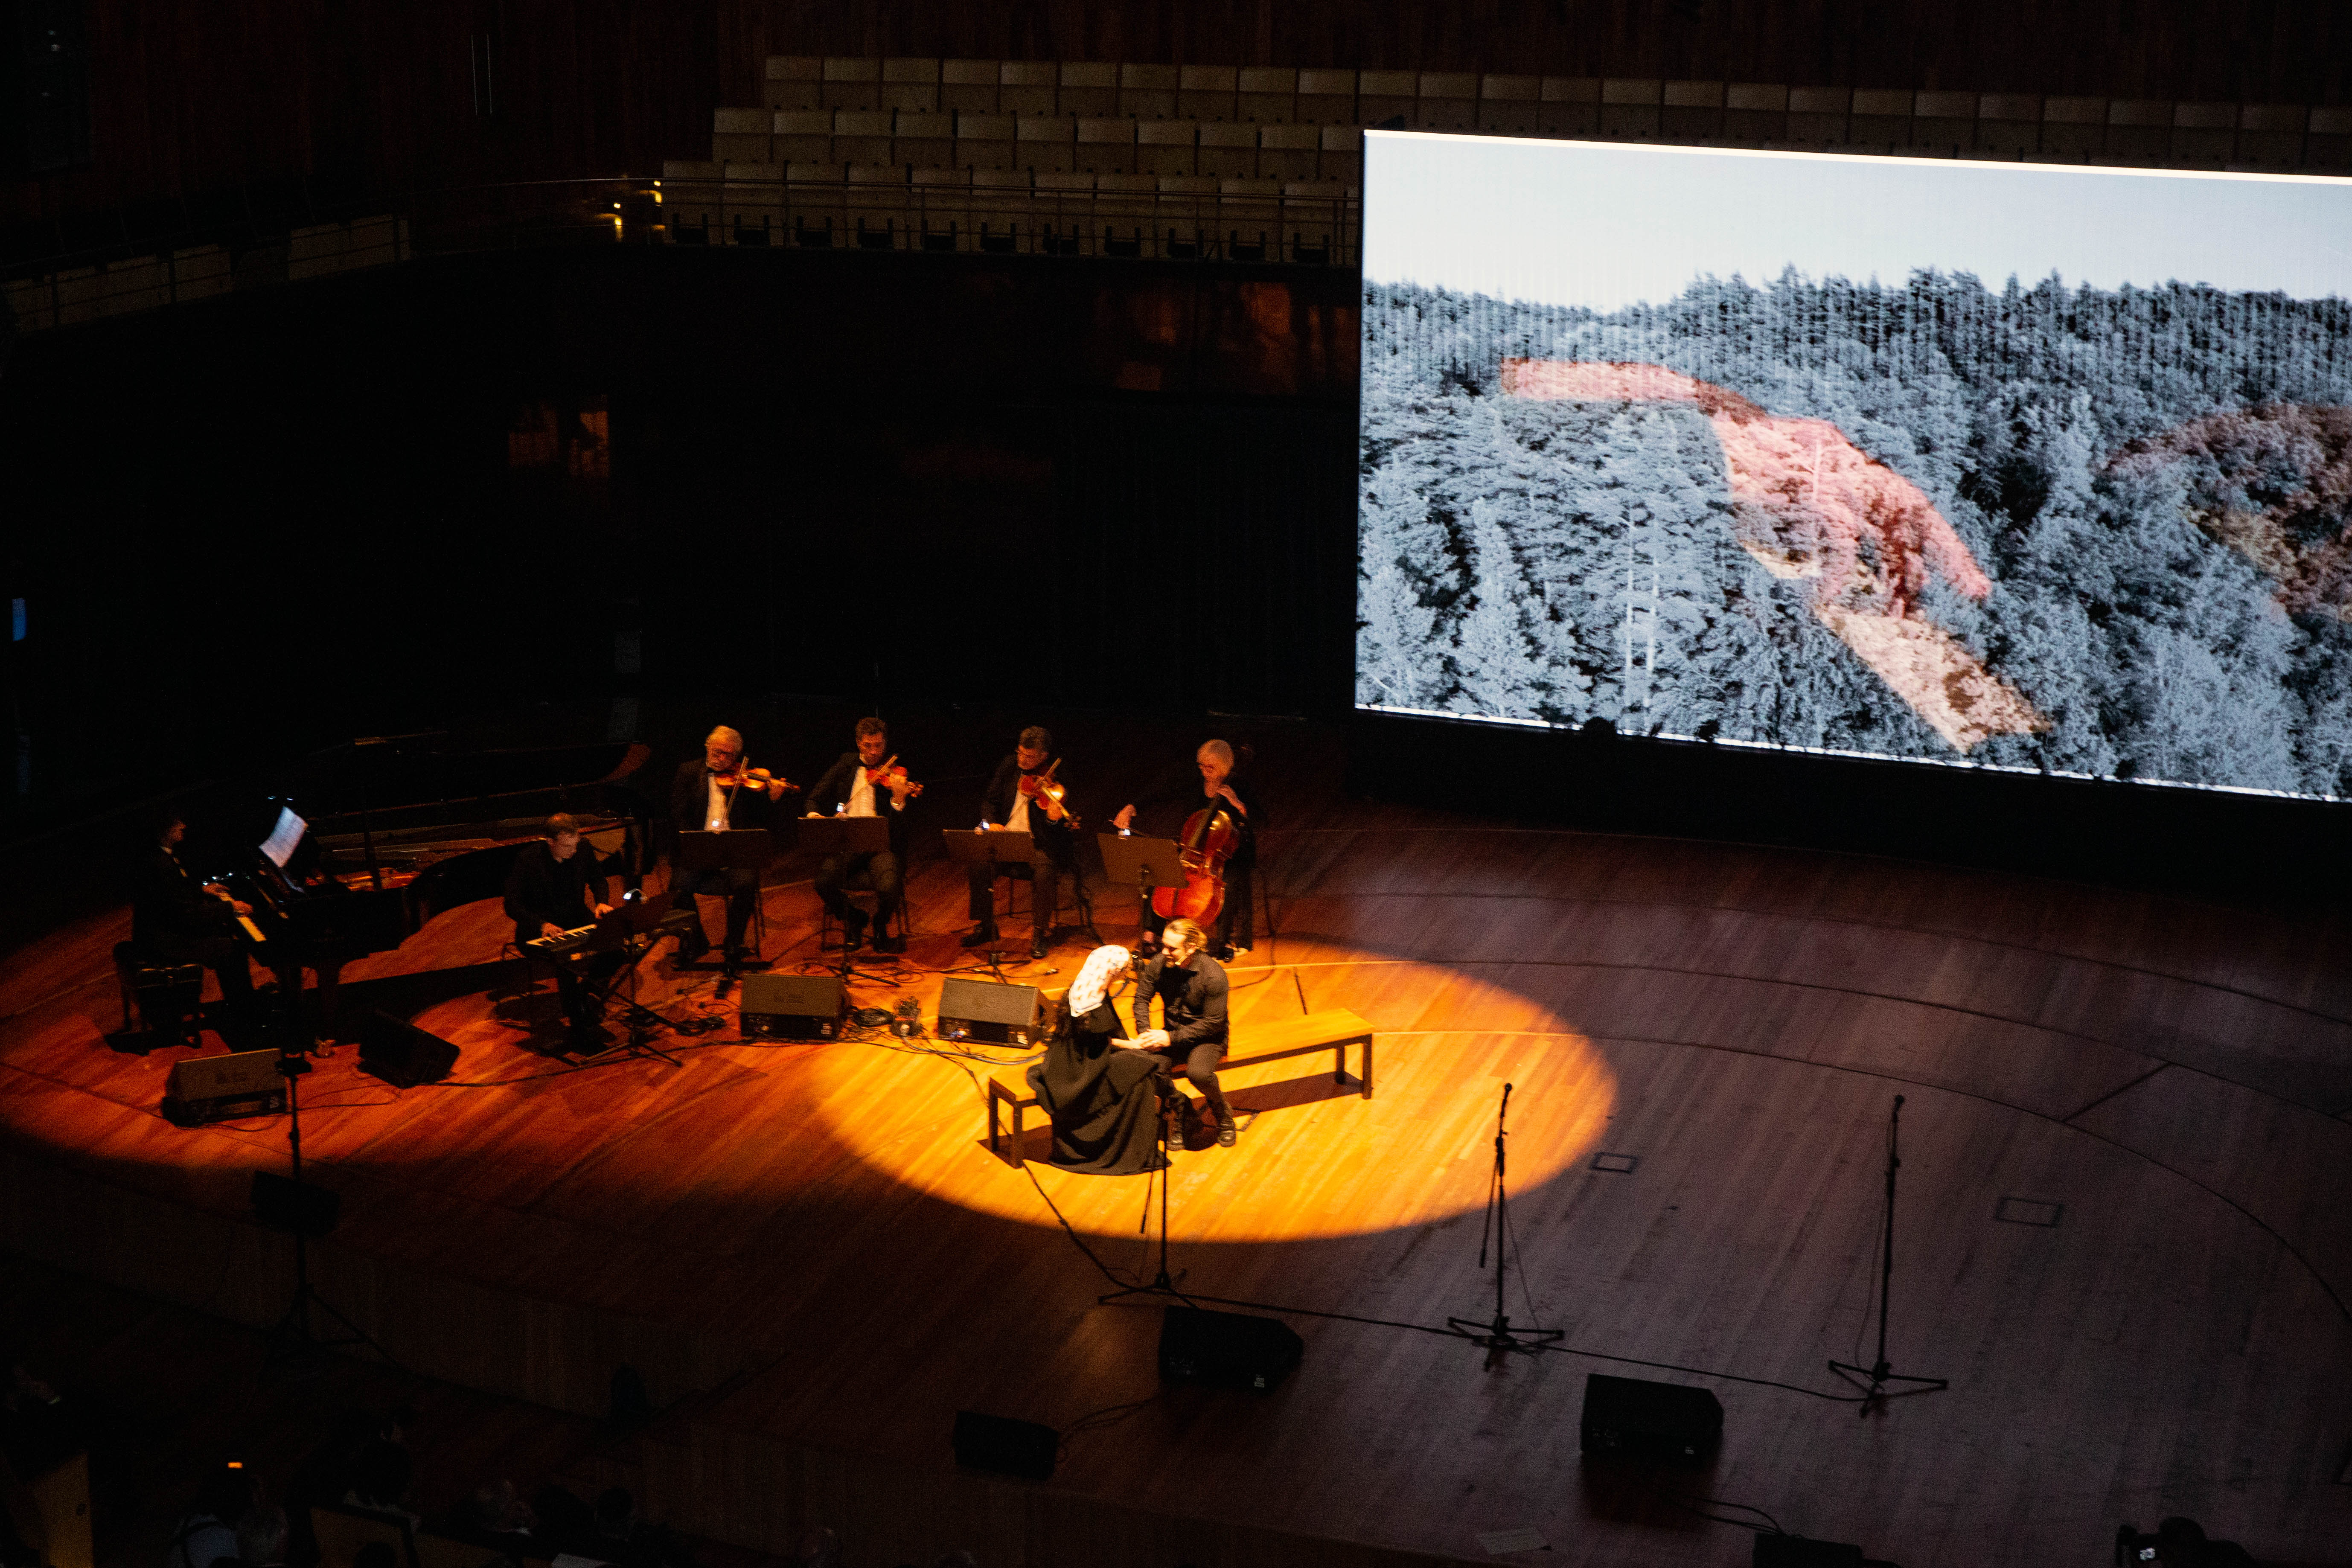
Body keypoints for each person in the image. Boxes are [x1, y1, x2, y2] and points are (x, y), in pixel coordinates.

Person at [1110, 739, 1260, 959]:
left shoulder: (1240, 787)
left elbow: (1260, 820)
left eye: (1211, 767)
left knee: (1230, 880)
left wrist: (1239, 805)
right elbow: (1161, 792)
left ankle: (1223, 939)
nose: (1205, 772)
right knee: (1158, 869)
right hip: (1193, 850)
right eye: (1201, 766)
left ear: (1226, 766)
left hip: (1231, 854)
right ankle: (1151, 936)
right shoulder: (1194, 781)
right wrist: (1133, 807)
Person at [1029, 945, 1165, 1173]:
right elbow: (1101, 1045)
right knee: (1143, 1070)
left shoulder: (1081, 989)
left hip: (1068, 1061)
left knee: (1139, 1061)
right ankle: (1126, 1150)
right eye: (1123, 972)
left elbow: (1103, 1038)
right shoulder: (1093, 1005)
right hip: (1082, 1073)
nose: (1124, 976)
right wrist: (1134, 1045)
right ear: (1113, 973)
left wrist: (1130, 1043)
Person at [666, 726, 790, 968]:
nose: (722, 759)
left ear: (737, 757)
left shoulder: (746, 779)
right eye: (717, 752)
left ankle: (733, 942)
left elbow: (763, 819)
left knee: (746, 884)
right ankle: (696, 940)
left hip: (735, 851)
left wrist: (773, 799)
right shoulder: (689, 772)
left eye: (729, 756)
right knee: (678, 888)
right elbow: (677, 814)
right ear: (707, 747)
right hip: (699, 849)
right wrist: (691, 840)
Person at [134, 813, 257, 1035]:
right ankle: (244, 1014)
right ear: (164, 830)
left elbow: (174, 893)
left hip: (162, 932)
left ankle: (239, 1006)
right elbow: (187, 914)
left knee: (224, 938)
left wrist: (201, 890)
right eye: (176, 823)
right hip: (166, 941)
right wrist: (231, 908)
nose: (184, 825)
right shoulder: (161, 865)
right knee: (233, 950)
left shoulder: (160, 857)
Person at [965, 726, 1081, 960]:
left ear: (1044, 756)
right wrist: (992, 823)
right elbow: (989, 800)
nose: (1022, 760)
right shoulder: (1009, 766)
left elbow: (1062, 835)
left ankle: (1039, 933)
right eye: (1020, 753)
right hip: (1007, 840)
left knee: (1045, 871)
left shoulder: (1059, 778)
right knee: (978, 864)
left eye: (1029, 757)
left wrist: (1052, 820)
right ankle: (986, 925)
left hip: (1039, 845)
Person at [502, 814, 618, 1043]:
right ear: (551, 842)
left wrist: (601, 901)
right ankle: (579, 1023)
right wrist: (542, 924)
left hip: (576, 917)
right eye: (567, 847)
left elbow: (598, 879)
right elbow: (512, 904)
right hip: (538, 926)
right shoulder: (528, 860)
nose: (573, 852)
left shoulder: (582, 848)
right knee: (566, 960)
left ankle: (586, 994)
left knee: (616, 946)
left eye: (575, 845)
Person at [804, 718, 917, 953]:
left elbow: (901, 831)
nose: (874, 752)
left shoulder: (896, 773)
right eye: (868, 746)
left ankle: (880, 924)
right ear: (858, 743)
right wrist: (815, 816)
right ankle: (855, 919)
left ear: (885, 743)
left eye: (878, 746)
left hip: (881, 847)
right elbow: (814, 797)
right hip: (849, 845)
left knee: (889, 887)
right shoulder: (845, 764)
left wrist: (898, 801)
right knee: (823, 882)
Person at [1131, 917, 1238, 1146]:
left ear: (1191, 948)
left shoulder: (1213, 975)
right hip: (1172, 1036)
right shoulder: (1159, 964)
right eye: (1163, 945)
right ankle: (1185, 1113)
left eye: (1172, 948)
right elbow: (1141, 998)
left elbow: (1214, 1023)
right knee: (1147, 1069)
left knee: (1198, 1073)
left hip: (1208, 1039)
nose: (1165, 952)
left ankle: (1223, 1114)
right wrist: (1146, 1032)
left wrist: (1170, 1037)